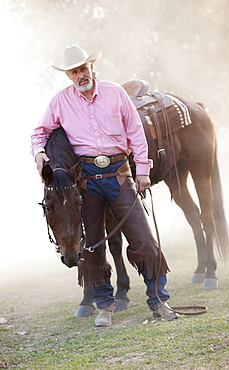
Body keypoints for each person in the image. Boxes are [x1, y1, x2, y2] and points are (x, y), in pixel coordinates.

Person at [31, 44, 178, 327]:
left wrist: (143, 170)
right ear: (69, 76)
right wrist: (39, 152)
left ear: (91, 68)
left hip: (120, 173)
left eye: (83, 69)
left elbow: (135, 130)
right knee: (93, 246)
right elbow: (40, 132)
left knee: (142, 237)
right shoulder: (60, 102)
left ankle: (159, 299)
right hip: (86, 179)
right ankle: (104, 305)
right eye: (74, 72)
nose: (80, 75)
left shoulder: (114, 92)